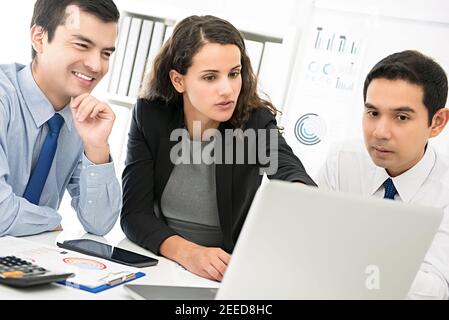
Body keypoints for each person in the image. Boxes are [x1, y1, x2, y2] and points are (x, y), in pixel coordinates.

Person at [121, 15, 316, 281]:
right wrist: (189, 253)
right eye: (210, 77)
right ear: (179, 81)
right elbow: (134, 214)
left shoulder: (253, 122)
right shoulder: (150, 115)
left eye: (234, 74)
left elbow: (287, 167)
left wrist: (299, 193)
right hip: (155, 254)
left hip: (220, 268)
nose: (227, 90)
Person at [317, 50, 449, 299]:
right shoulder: (343, 160)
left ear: (437, 122)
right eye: (373, 113)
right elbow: (309, 242)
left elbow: (435, 291)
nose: (380, 132)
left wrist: (362, 255)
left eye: (401, 117)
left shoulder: (445, 191)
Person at [0, 0, 122, 237]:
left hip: (29, 264)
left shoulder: (82, 117)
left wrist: (96, 146)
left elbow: (99, 224)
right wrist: (52, 220)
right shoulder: (4, 100)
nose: (96, 65)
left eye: (106, 53)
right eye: (81, 45)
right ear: (39, 38)